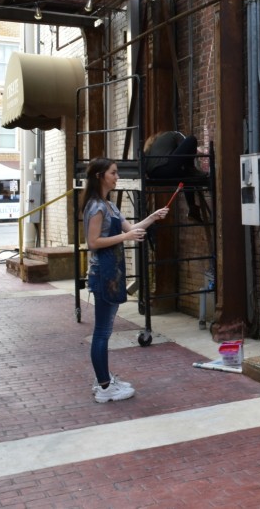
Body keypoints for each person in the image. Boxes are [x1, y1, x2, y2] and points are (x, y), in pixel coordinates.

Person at [82, 157, 168, 403]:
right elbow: (94, 243)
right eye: (113, 173)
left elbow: (131, 229)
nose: (117, 177)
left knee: (104, 331)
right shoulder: (96, 206)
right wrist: (125, 236)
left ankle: (104, 379)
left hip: (113, 274)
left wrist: (152, 217)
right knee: (102, 332)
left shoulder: (109, 205)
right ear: (100, 176)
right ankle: (105, 387)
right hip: (103, 274)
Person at [143, 130, 207, 221]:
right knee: (191, 139)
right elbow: (186, 146)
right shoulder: (172, 134)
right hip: (166, 167)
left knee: (187, 176)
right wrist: (199, 151)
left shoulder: (151, 148)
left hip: (153, 175)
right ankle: (191, 169)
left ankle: (192, 208)